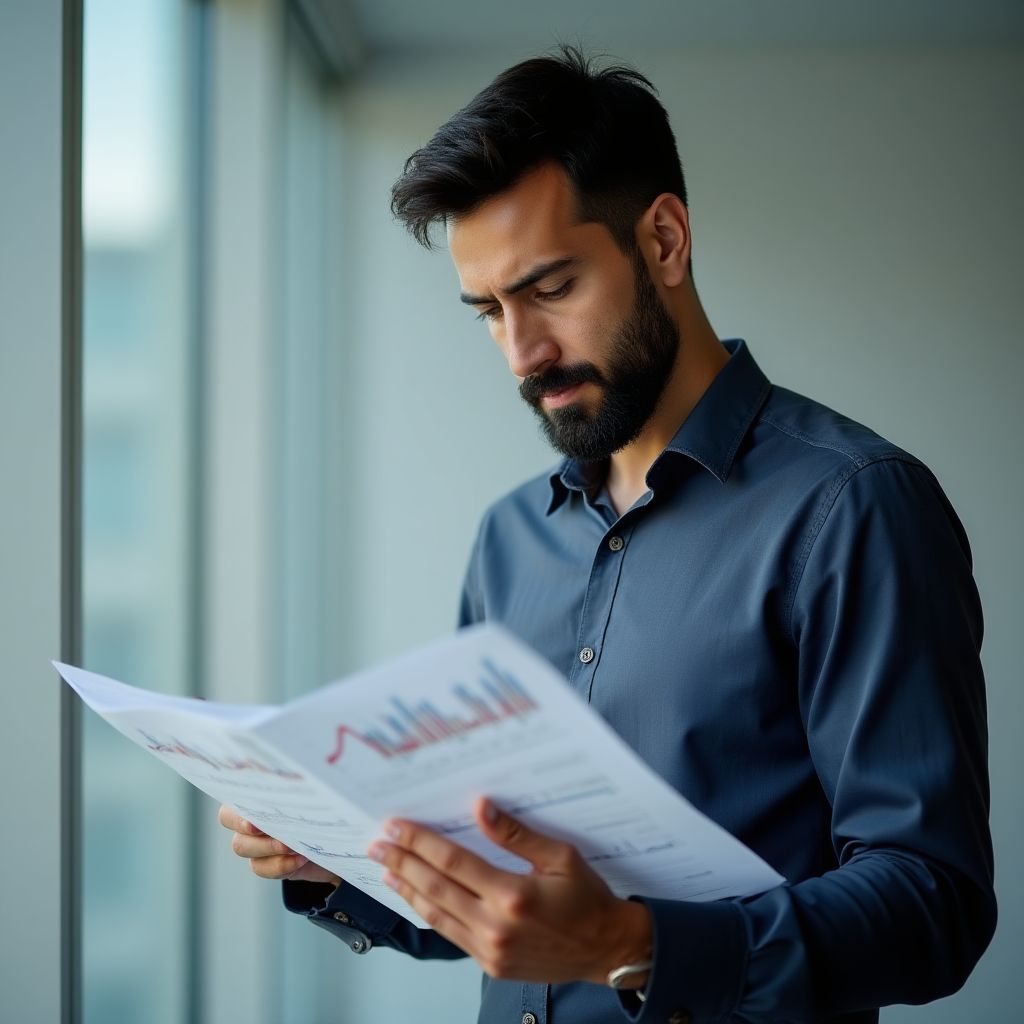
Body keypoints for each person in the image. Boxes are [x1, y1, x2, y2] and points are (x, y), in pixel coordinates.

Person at [218, 47, 996, 1023]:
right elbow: (498, 891)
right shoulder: (508, 539)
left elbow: (933, 903)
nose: (522, 353)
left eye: (548, 289)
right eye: (489, 311)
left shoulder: (852, 507)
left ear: (663, 241)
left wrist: (636, 946)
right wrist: (330, 857)